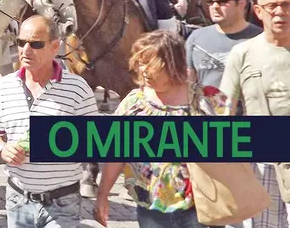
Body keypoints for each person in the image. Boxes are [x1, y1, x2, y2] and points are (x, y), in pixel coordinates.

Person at [94, 30, 230, 228]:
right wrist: (102, 194)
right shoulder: (134, 102)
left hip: (201, 208)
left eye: (152, 64)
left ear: (173, 63)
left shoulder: (206, 100)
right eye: (140, 63)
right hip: (151, 210)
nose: (144, 71)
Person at [0, 15, 99, 228]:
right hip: (18, 199)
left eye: (36, 44)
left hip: (63, 202)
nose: (26, 50)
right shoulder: (3, 87)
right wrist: (2, 149)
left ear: (55, 47)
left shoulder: (78, 88)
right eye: (20, 43)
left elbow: (95, 142)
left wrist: (57, 142)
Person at [220, 0, 290, 228]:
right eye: (272, 6)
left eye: (286, 5)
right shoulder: (243, 53)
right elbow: (224, 108)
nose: (280, 12)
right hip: (262, 160)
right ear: (259, 12)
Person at [186, 0, 261, 90]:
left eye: (222, 2)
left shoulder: (261, 38)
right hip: (206, 107)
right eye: (210, 2)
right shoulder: (196, 38)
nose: (215, 7)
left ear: (241, 3)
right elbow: (189, 84)